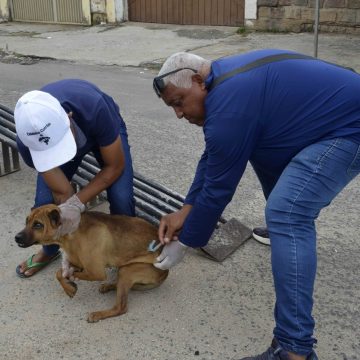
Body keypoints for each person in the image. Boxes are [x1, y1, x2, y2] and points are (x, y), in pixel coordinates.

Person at [151, 50, 360, 360]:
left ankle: (293, 349)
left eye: (179, 102)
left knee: (287, 212)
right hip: (330, 119)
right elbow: (215, 157)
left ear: (197, 81)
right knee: (262, 156)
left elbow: (219, 188)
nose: (179, 114)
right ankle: (289, 234)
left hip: (350, 128)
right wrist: (186, 209)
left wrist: (187, 240)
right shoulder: (224, 82)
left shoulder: (229, 107)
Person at [14, 79, 135, 278]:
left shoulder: (94, 107)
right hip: (67, 133)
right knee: (44, 203)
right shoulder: (27, 142)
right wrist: (70, 250)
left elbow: (114, 166)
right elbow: (62, 193)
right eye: (50, 151)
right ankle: (51, 250)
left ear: (68, 118)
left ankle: (125, 252)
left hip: (98, 130)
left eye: (59, 146)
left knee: (121, 197)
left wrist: (77, 203)